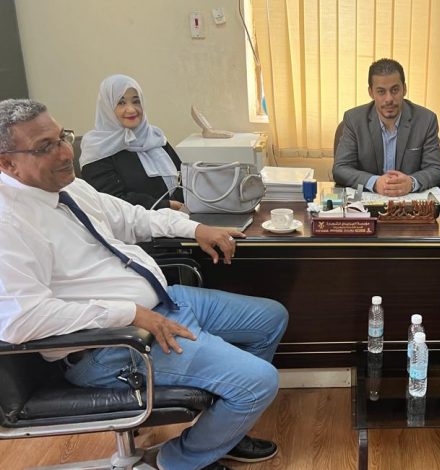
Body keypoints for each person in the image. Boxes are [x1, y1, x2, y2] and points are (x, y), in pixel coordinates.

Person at [0, 99, 288, 470]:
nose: (65, 153)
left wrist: (195, 228)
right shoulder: (9, 223)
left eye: (62, 138)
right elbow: (20, 320)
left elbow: (135, 218)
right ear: (7, 163)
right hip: (113, 344)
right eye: (45, 147)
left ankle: (223, 428)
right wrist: (130, 313)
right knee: (259, 382)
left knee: (270, 318)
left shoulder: (69, 188)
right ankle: (176, 461)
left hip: (161, 304)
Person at [332, 58, 440, 196]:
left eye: (395, 90)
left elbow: (436, 169)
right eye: (381, 92)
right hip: (365, 202)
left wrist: (411, 183)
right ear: (371, 92)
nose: (389, 99)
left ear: (404, 89)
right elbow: (341, 169)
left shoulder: (426, 120)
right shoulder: (354, 120)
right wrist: (375, 182)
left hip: (408, 203)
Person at [80, 74, 185, 210]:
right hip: (134, 222)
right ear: (107, 107)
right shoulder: (97, 148)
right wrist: (165, 205)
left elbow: (183, 179)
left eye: (136, 101)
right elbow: (111, 202)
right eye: (121, 103)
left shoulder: (154, 137)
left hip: (178, 217)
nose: (131, 109)